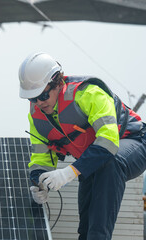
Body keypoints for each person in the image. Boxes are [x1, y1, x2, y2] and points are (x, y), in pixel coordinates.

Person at [19, 52, 146, 240]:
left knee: (111, 164)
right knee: (85, 229)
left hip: (135, 142)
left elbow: (108, 142)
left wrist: (69, 172)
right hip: (92, 160)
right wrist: (38, 183)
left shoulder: (88, 94)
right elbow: (41, 156)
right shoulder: (36, 117)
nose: (39, 102)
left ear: (58, 83)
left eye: (43, 95)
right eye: (32, 98)